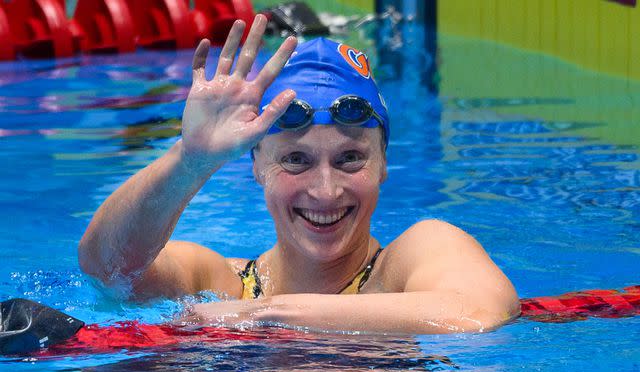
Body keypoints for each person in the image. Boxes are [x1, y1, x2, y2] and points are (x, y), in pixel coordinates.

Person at [77, 15, 520, 334]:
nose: (325, 191)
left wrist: (263, 317)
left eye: (350, 158)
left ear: (384, 164)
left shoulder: (411, 261)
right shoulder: (219, 284)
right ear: (257, 167)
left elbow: (476, 312)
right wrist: (191, 160)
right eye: (295, 160)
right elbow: (107, 269)